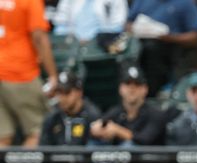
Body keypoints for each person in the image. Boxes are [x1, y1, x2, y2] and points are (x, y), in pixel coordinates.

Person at [0, 0, 58, 147]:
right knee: (38, 132)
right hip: (20, 73)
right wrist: (53, 75)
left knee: (3, 138)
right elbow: (39, 36)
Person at [126, 0, 197, 97]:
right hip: (139, 42)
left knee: (152, 49)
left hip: (170, 46)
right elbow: (128, 23)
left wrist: (169, 37)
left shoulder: (185, 3)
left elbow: (196, 36)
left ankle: (152, 92)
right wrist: (135, 28)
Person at [90, 66, 166, 146]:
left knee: (128, 145)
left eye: (137, 84)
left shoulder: (156, 114)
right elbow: (101, 124)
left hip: (151, 157)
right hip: (118, 157)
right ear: (120, 88)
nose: (132, 89)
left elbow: (144, 140)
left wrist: (117, 130)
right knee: (94, 144)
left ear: (145, 89)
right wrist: (97, 129)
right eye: (128, 84)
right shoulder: (116, 111)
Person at [39, 71, 102, 146]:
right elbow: (44, 150)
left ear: (79, 92)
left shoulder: (92, 115)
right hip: (57, 157)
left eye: (66, 92)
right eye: (59, 93)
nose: (62, 98)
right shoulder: (53, 116)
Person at [52, 0, 128, 41]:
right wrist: (75, 39)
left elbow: (117, 26)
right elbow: (60, 25)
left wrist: (93, 40)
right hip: (73, 45)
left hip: (102, 47)